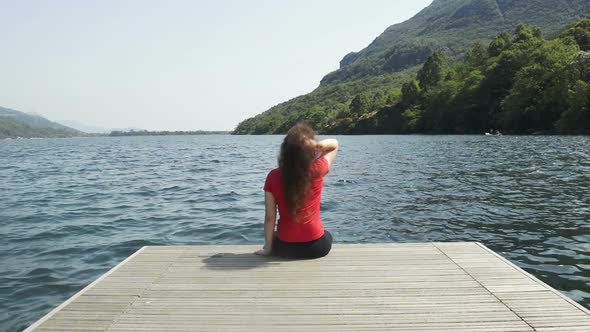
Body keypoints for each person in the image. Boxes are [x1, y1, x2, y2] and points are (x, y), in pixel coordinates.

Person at [254, 122, 338, 259]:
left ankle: (270, 246)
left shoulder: (273, 176)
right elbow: (334, 144)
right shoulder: (318, 169)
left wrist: (268, 248)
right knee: (327, 234)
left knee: (276, 235)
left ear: (285, 151)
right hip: (316, 248)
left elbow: (270, 217)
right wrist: (315, 146)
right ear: (310, 149)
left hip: (285, 248)